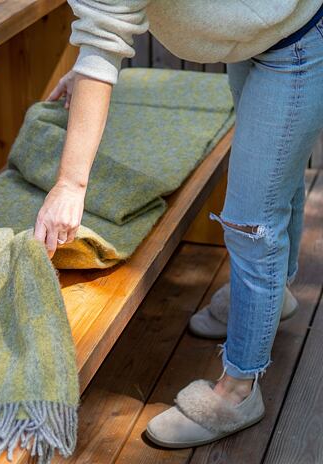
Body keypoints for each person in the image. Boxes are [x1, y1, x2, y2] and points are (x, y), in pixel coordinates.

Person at [34, 0, 323, 448]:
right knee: (274, 184)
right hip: (254, 36)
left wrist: (70, 184)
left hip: (300, 37)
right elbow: (103, 25)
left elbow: (103, 30)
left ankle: (238, 392)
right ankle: (275, 295)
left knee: (252, 223)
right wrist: (85, 67)